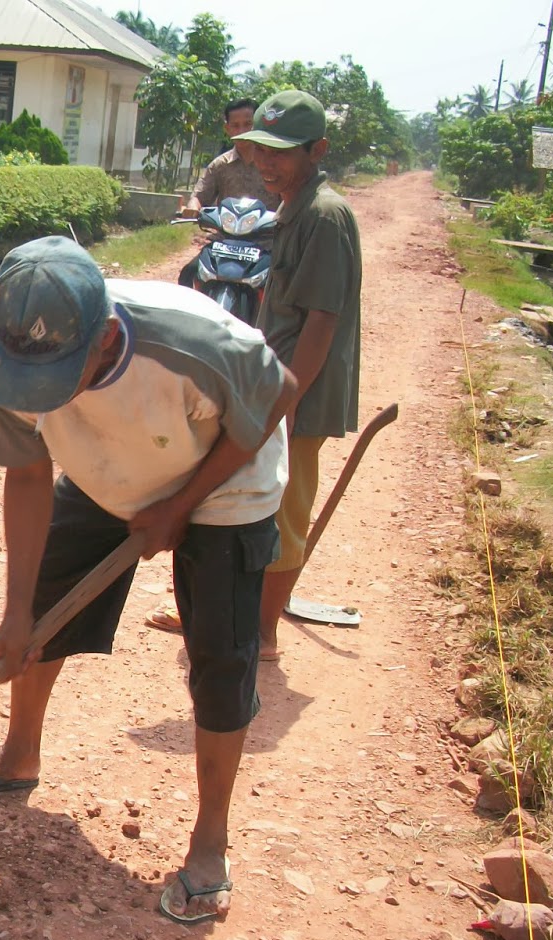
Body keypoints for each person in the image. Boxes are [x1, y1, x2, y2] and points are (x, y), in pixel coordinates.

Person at [0, 236, 299, 923]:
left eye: (57, 376)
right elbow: (30, 470)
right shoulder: (2, 354)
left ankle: (210, 841)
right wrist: (15, 614)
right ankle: (18, 756)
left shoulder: (194, 343)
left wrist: (180, 508)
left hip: (226, 479)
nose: (43, 393)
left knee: (220, 656)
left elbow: (278, 395)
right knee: (41, 613)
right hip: (109, 471)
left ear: (104, 338)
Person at [150, 90, 362, 659]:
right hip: (277, 384)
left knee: (284, 509)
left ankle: (263, 635)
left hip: (300, 391)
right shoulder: (292, 206)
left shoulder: (323, 215)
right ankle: (232, 612)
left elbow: (321, 323)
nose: (266, 163)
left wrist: (285, 401)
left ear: (317, 150)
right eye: (261, 150)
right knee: (248, 498)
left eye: (282, 153)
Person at [176, 99, 280, 290]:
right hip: (225, 242)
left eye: (248, 124)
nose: (242, 131)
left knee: (284, 284)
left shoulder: (273, 164)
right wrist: (192, 207)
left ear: (259, 125)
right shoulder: (220, 165)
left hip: (266, 244)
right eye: (236, 125)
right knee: (188, 274)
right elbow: (200, 195)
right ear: (227, 129)